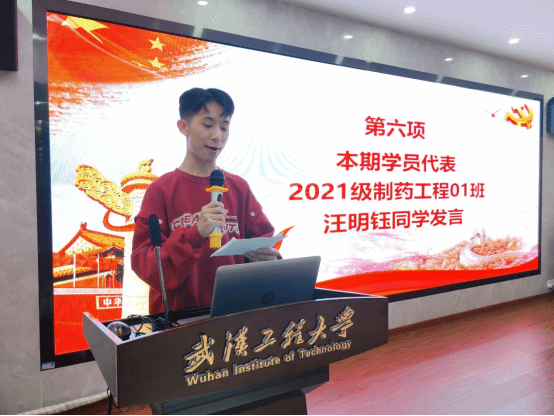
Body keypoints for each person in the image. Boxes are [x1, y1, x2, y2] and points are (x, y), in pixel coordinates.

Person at [131, 87, 280, 314]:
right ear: (184, 127)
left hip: (234, 316)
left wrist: (269, 259)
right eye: (208, 125)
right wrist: (194, 234)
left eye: (224, 127)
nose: (217, 136)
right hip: (179, 321)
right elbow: (147, 266)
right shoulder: (161, 190)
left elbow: (264, 240)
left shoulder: (239, 187)